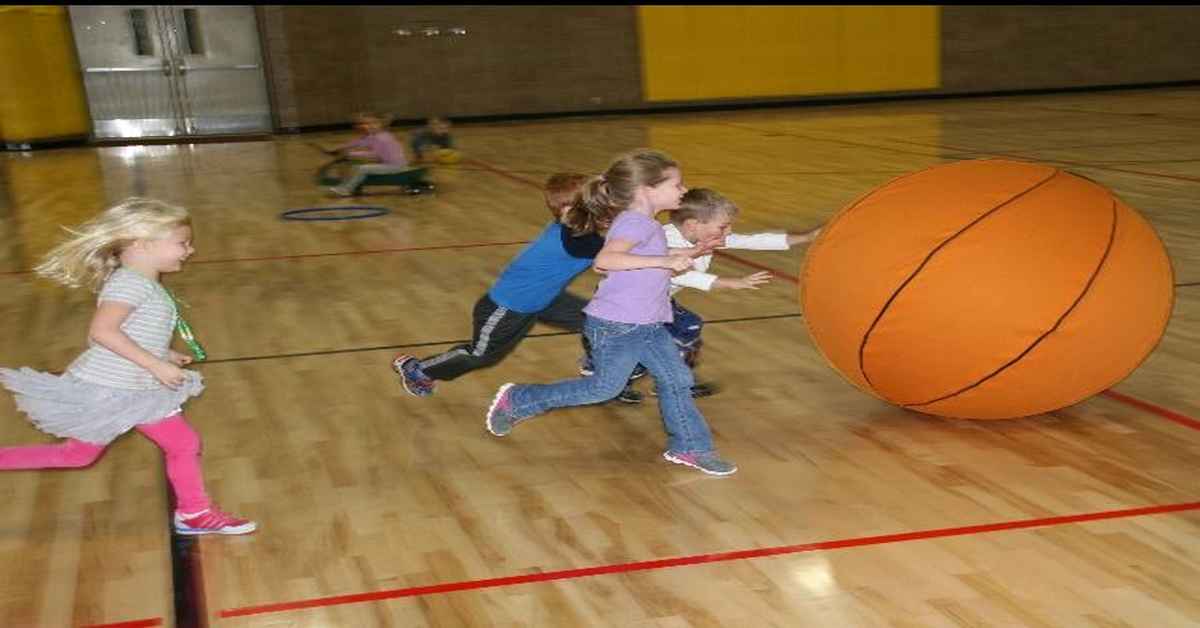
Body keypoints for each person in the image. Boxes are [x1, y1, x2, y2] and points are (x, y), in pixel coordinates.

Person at [0, 198, 256, 536]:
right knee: (84, 455)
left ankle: (194, 512)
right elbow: (102, 332)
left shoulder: (142, 281)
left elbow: (130, 331)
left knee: (170, 445)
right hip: (113, 391)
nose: (189, 250)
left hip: (136, 387)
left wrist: (163, 354)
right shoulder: (130, 284)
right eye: (182, 243)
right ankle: (194, 512)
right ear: (142, 244)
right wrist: (155, 364)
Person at [484, 149, 738, 476]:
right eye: (677, 184)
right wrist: (663, 261)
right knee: (603, 388)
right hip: (618, 325)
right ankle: (519, 401)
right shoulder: (634, 223)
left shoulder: (645, 224)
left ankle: (690, 447)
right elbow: (606, 261)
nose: (683, 190)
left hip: (648, 321)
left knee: (676, 379)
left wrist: (688, 251)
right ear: (647, 189)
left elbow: (651, 252)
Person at [392, 173, 648, 399]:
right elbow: (614, 254)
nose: (600, 206)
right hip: (507, 308)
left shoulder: (578, 230)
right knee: (482, 355)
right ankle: (418, 369)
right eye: (592, 201)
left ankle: (601, 372)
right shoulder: (576, 238)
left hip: (545, 300)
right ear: (569, 210)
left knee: (596, 319)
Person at [626, 187, 824, 398]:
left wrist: (806, 237)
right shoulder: (664, 241)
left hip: (658, 301)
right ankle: (610, 373)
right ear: (692, 225)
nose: (728, 232)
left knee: (687, 328)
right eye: (723, 226)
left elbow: (751, 240)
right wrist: (730, 283)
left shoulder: (706, 236)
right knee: (635, 343)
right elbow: (681, 274)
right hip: (629, 305)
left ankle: (673, 381)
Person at [327, 112, 417, 197]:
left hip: (395, 166)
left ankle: (346, 189)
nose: (368, 126)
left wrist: (351, 154)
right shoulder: (373, 136)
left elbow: (375, 155)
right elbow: (358, 142)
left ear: (381, 125)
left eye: (373, 123)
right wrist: (339, 148)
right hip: (388, 164)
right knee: (356, 167)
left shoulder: (382, 138)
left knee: (362, 168)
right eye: (367, 124)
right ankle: (347, 186)